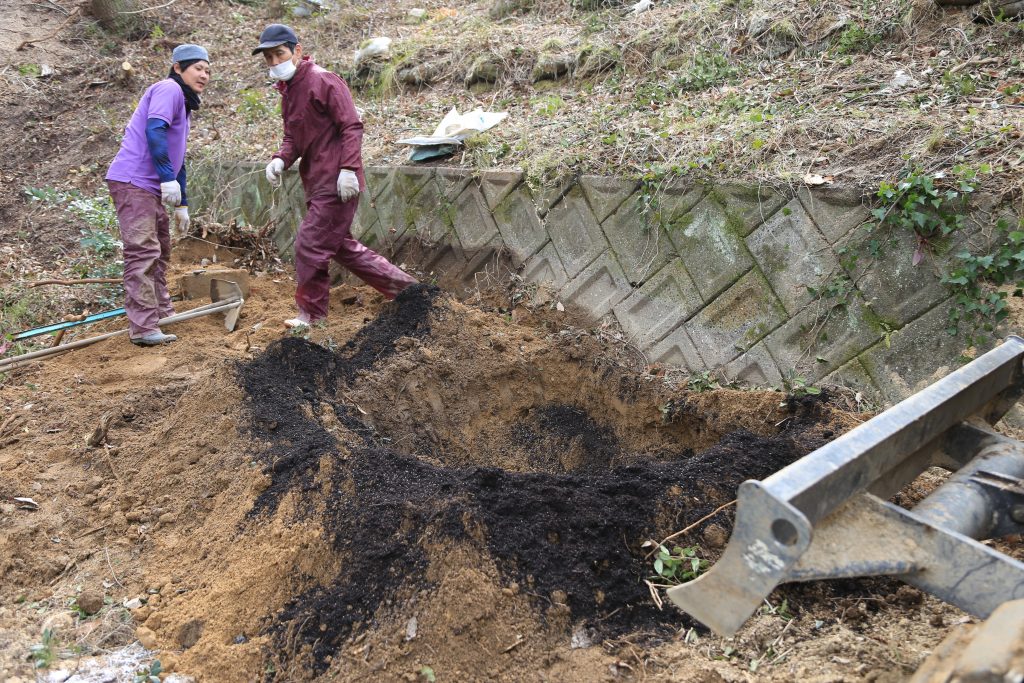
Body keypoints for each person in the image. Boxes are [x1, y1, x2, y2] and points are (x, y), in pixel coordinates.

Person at [254, 24, 417, 328]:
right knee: (342, 247)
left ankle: (312, 316)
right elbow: (293, 138)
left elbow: (351, 126)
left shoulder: (323, 80)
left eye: (280, 54)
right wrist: (280, 159)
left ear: (297, 51)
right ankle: (413, 293)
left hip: (336, 180)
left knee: (310, 244)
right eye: (269, 58)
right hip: (315, 182)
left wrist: (349, 169)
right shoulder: (288, 94)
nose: (275, 62)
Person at [105, 44, 210, 346]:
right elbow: (155, 131)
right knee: (143, 251)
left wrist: (183, 203)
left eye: (207, 70)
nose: (204, 75)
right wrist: (166, 177)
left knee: (160, 251)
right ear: (178, 68)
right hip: (134, 180)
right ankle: (143, 327)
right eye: (198, 68)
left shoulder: (185, 104)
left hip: (150, 186)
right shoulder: (169, 88)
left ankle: (161, 313)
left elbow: (179, 156)